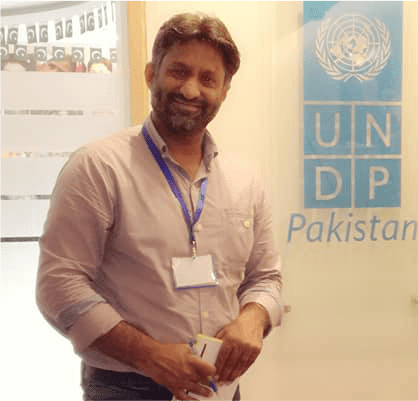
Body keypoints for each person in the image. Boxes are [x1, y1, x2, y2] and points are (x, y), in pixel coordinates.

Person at [36, 12, 283, 401]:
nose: (190, 90)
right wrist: (149, 355)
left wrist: (253, 319)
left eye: (208, 79)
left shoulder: (244, 180)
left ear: (224, 90)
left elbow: (266, 277)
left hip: (219, 388)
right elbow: (59, 285)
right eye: (179, 72)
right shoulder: (98, 167)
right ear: (152, 74)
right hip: (126, 387)